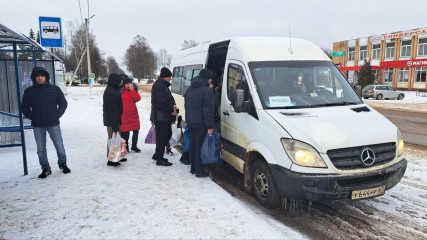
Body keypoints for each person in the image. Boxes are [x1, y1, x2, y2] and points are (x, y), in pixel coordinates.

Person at [21, 67, 70, 179]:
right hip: (38, 125)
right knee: (41, 149)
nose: (40, 78)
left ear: (46, 77)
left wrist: (57, 115)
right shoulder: (29, 91)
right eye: (37, 76)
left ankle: (63, 164)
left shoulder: (54, 89)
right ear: (34, 78)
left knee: (59, 145)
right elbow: (24, 107)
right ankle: (46, 169)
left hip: (53, 123)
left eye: (42, 75)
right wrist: (33, 117)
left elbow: (63, 103)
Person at [184, 69, 215, 178]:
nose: (211, 80)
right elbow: (208, 112)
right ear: (207, 79)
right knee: (199, 147)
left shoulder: (189, 88)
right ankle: (200, 171)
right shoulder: (207, 92)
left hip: (190, 121)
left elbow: (186, 106)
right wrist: (210, 126)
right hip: (201, 123)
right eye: (211, 78)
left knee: (193, 145)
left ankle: (193, 168)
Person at [151, 67, 177, 166]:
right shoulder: (159, 86)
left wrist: (173, 106)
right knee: (163, 137)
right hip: (161, 117)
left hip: (163, 116)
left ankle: (158, 155)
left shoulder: (161, 85)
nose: (170, 79)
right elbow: (161, 103)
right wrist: (171, 110)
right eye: (169, 77)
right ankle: (159, 159)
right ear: (165, 77)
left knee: (164, 136)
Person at [103, 73, 125, 167]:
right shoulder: (111, 92)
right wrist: (115, 126)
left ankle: (115, 157)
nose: (121, 82)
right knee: (113, 139)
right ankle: (111, 160)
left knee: (114, 139)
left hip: (114, 119)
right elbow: (112, 110)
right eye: (120, 81)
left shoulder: (113, 90)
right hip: (112, 120)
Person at [120, 77, 141, 153]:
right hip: (124, 116)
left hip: (133, 115)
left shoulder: (133, 91)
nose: (128, 85)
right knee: (126, 132)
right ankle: (126, 146)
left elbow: (138, 98)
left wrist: (132, 90)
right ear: (124, 84)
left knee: (136, 131)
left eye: (129, 83)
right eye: (126, 84)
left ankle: (134, 146)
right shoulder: (120, 91)